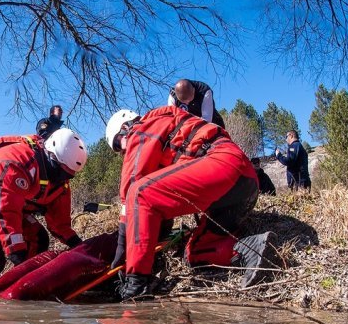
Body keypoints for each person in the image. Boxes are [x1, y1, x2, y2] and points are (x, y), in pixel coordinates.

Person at [105, 105, 277, 300]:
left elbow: (131, 190)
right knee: (195, 252)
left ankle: (137, 286)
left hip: (224, 165)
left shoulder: (143, 127)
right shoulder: (163, 134)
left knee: (139, 193)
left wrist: (121, 248)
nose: (122, 152)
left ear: (126, 127)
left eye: (119, 145)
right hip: (242, 187)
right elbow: (158, 200)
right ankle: (250, 247)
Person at [0, 128, 87, 286]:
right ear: (50, 156)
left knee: (38, 239)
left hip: (6, 204)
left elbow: (59, 223)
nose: (62, 180)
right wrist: (17, 255)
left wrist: (80, 246)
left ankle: (25, 290)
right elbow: (6, 212)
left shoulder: (60, 183)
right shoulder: (14, 161)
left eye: (68, 176)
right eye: (60, 173)